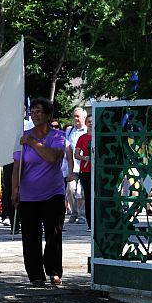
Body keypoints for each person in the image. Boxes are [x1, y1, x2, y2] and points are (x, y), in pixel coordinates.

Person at [12, 97, 66, 286]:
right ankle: (35, 274)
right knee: (30, 236)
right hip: (29, 195)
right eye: (32, 112)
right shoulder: (22, 136)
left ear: (48, 115)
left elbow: (52, 157)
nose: (35, 115)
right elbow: (17, 166)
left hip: (53, 193)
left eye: (39, 112)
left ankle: (54, 271)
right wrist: (14, 190)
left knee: (53, 234)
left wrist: (33, 143)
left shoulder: (57, 136)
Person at [64, 107, 89, 223]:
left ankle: (82, 214)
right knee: (70, 189)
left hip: (84, 166)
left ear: (84, 117)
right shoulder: (69, 131)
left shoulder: (87, 131)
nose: (76, 119)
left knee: (83, 191)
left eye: (78, 116)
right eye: (74, 116)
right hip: (72, 166)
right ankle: (74, 212)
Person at [74, 112, 93, 232]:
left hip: (97, 170)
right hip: (85, 170)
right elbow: (76, 154)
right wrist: (85, 157)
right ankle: (90, 223)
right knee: (88, 196)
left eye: (92, 121)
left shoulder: (99, 136)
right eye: (89, 122)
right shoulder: (82, 138)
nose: (91, 124)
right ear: (86, 123)